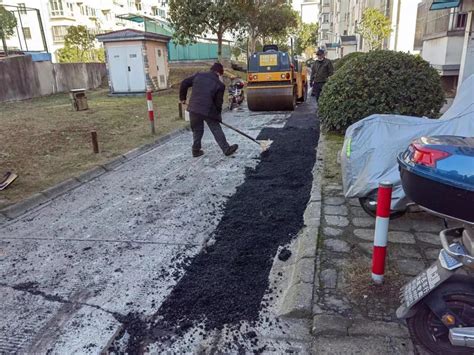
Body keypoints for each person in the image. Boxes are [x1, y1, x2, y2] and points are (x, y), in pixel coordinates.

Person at [179, 63, 238, 158]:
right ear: (219, 73)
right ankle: (226, 149)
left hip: (193, 108)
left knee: (197, 130)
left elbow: (184, 83)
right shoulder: (220, 85)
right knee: (216, 128)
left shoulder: (198, 75)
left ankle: (196, 150)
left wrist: (182, 98)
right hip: (208, 110)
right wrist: (218, 117)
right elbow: (218, 104)